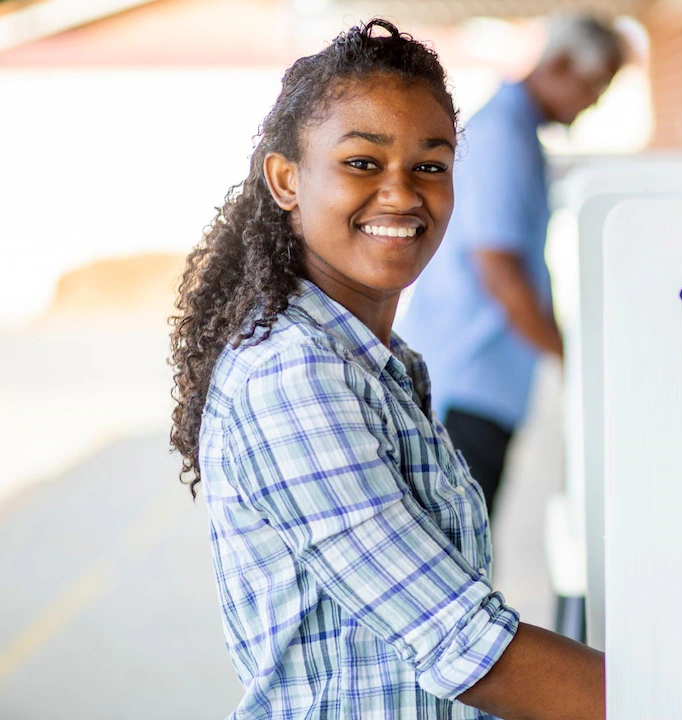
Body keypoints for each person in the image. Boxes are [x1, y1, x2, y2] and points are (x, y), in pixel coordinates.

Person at [168, 20, 603, 719]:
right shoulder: (293, 375)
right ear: (286, 179)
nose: (402, 194)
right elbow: (466, 645)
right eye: (362, 163)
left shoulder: (381, 363)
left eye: (430, 166)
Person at [395, 15, 626, 515]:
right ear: (560, 65)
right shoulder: (503, 134)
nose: (595, 103)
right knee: (459, 543)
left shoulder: (519, 129)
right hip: (466, 384)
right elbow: (499, 271)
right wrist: (572, 358)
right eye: (595, 86)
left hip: (481, 382)